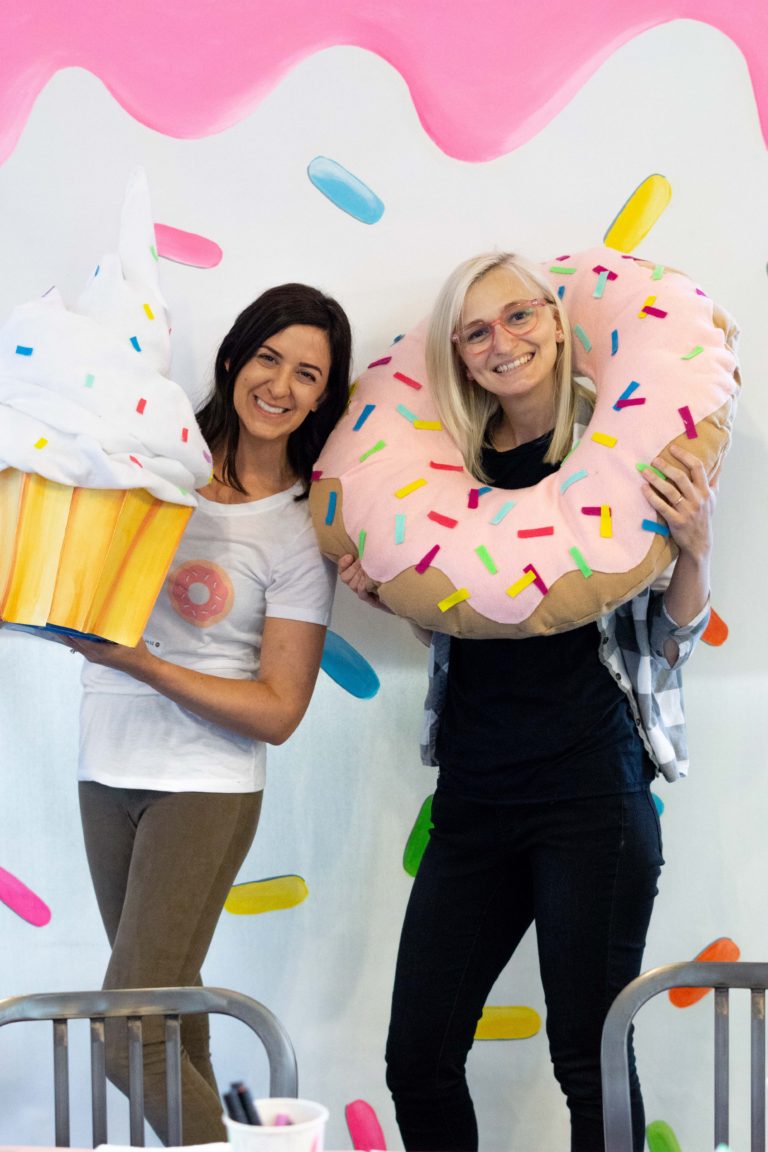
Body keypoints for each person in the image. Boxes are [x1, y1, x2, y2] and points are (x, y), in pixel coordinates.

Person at [339, 252, 715, 1152]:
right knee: (418, 1057)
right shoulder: (446, 475)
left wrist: (697, 548)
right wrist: (389, 597)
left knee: (587, 1059)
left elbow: (667, 641)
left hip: (592, 793)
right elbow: (475, 628)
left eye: (516, 318)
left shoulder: (621, 453)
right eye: (476, 332)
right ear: (460, 358)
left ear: (556, 321)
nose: (501, 342)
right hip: (473, 796)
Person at [70, 283, 352, 1145]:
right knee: (166, 1017)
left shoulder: (303, 528)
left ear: (323, 397)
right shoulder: (155, 469)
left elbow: (277, 709)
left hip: (205, 783)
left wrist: (142, 663)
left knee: (126, 1037)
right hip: (104, 764)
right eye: (270, 357)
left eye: (309, 374)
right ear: (233, 358)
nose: (283, 384)